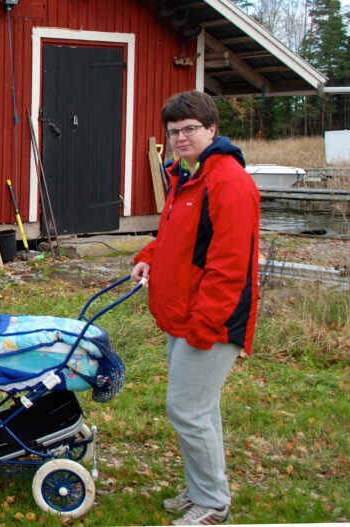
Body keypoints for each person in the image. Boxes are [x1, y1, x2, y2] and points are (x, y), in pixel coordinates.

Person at [131, 90, 260, 526]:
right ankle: (202, 489)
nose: (181, 138)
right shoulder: (187, 177)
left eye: (190, 130)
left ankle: (213, 505)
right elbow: (175, 240)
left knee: (187, 409)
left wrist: (205, 325)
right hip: (182, 315)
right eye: (174, 132)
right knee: (200, 410)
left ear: (212, 130)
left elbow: (230, 266)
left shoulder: (227, 181)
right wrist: (148, 258)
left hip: (211, 321)